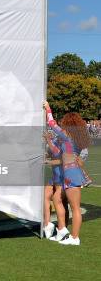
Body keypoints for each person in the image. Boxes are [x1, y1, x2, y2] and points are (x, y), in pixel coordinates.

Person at [43, 101, 91, 245]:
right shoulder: (73, 139)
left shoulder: (66, 136)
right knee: (64, 202)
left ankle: (74, 237)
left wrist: (48, 108)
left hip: (71, 174)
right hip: (71, 173)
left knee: (75, 207)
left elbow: (51, 123)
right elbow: (59, 153)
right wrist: (49, 141)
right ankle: (69, 234)